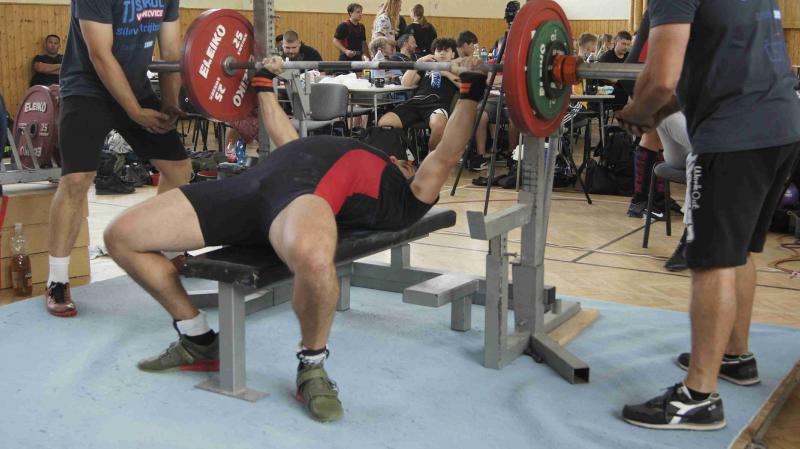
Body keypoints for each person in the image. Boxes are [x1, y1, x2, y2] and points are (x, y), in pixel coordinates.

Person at [103, 55, 489, 422]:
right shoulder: (358, 150)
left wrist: (471, 89)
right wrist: (264, 82)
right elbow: (286, 137)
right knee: (121, 236)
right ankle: (197, 337)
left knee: (316, 262)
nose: (406, 160)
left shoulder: (404, 197)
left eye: (409, 163)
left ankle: (312, 365)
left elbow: (446, 152)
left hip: (299, 201)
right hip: (248, 189)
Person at [618, 0, 800, 430]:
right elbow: (714, 66)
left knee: (710, 260)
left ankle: (698, 397)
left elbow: (661, 80)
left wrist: (635, 114)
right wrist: (656, 109)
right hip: (782, 126)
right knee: (739, 251)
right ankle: (736, 355)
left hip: (732, 135)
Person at [45, 0, 192, 317]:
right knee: (76, 179)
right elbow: (100, 54)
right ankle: (57, 280)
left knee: (178, 168)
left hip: (136, 87)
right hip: (86, 90)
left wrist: (169, 102)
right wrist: (134, 111)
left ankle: (165, 248)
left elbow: (170, 51)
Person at [377, 38, 459, 152]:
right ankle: (402, 154)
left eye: (446, 50)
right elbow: (405, 82)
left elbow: (466, 86)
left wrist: (446, 74)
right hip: (416, 102)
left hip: (437, 105)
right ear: (434, 53)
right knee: (384, 122)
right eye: (439, 50)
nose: (442, 53)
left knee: (439, 126)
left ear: (453, 54)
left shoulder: (456, 68)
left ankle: (432, 158)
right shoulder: (426, 67)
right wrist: (419, 62)